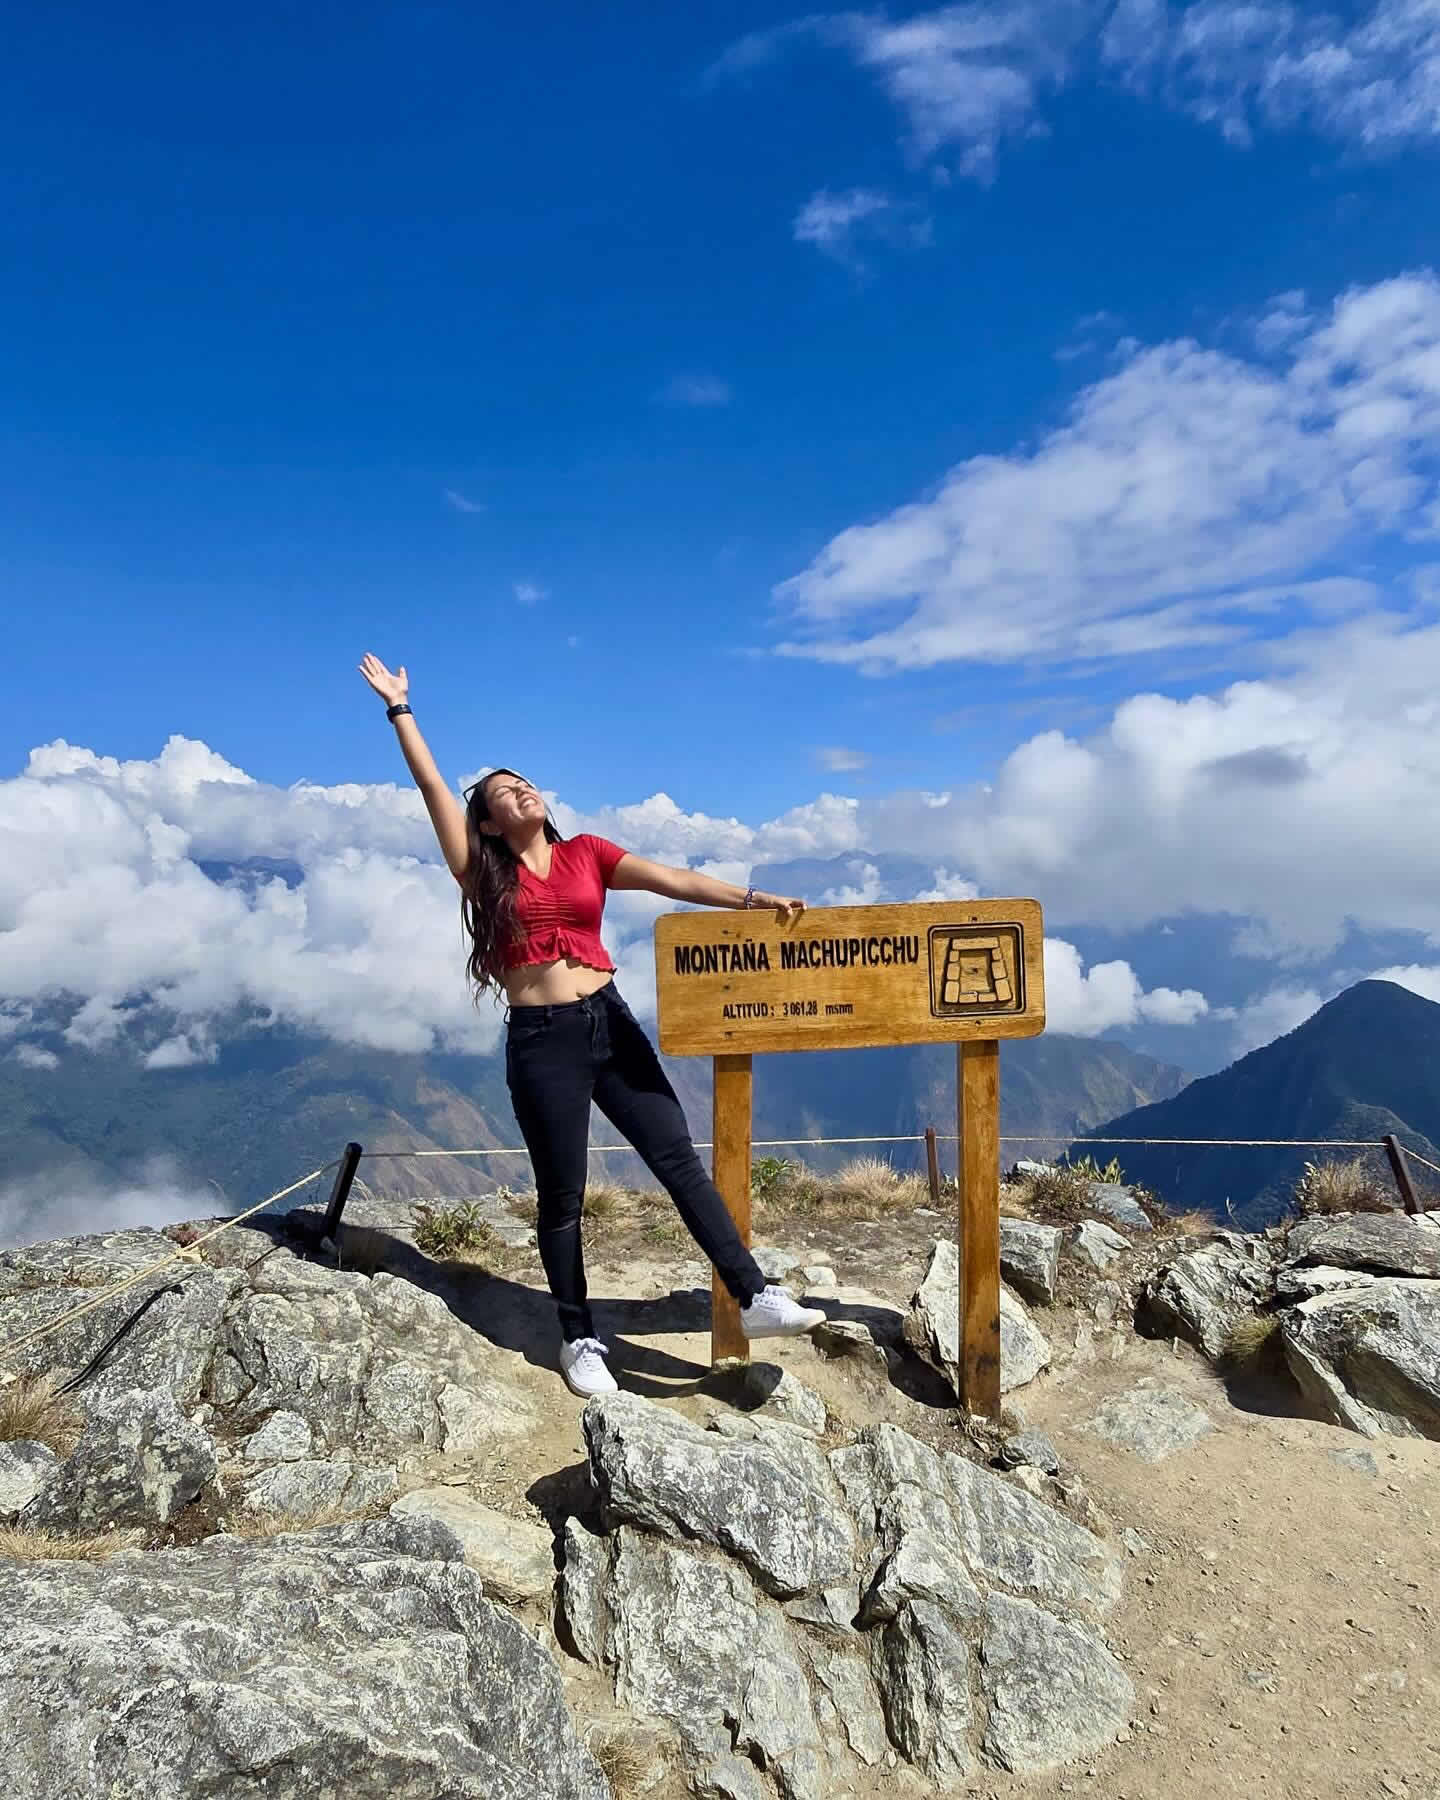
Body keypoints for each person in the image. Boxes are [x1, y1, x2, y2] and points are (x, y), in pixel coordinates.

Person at [357, 653, 827, 1396]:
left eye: (527, 783)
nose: (523, 791)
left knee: (677, 1160)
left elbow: (673, 879)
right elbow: (433, 789)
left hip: (610, 1023)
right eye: (506, 792)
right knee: (562, 1195)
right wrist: (400, 710)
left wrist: (752, 898)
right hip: (543, 1041)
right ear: (487, 820)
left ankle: (754, 1293)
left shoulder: (589, 855)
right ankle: (578, 1336)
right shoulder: (482, 872)